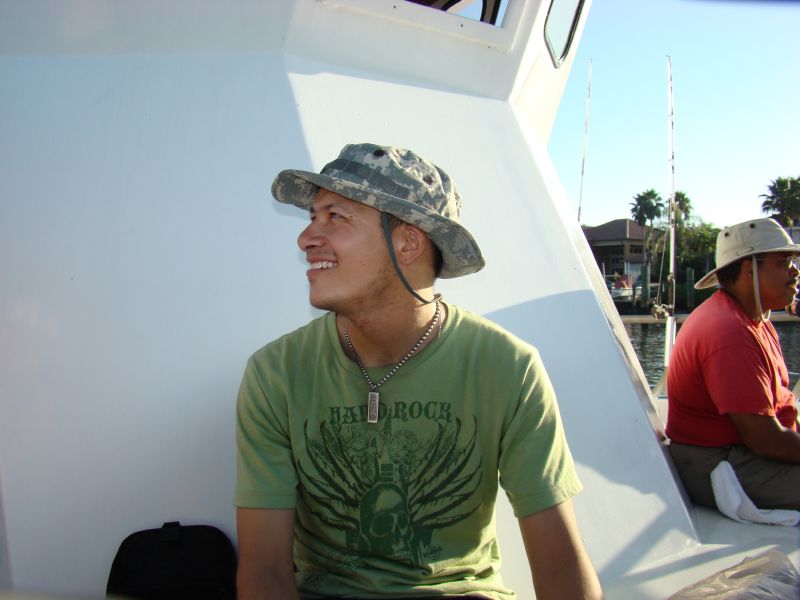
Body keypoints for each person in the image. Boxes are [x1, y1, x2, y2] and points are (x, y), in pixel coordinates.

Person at [234, 143, 602, 599]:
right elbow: (264, 570)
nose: (306, 237)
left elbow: (560, 564)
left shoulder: (507, 368)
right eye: (313, 216)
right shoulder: (276, 374)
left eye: (336, 217)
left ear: (409, 241)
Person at [666, 217, 800, 511]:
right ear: (749, 268)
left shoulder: (753, 319)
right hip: (719, 464)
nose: (795, 271)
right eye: (784, 262)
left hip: (742, 453)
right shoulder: (729, 333)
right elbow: (766, 441)